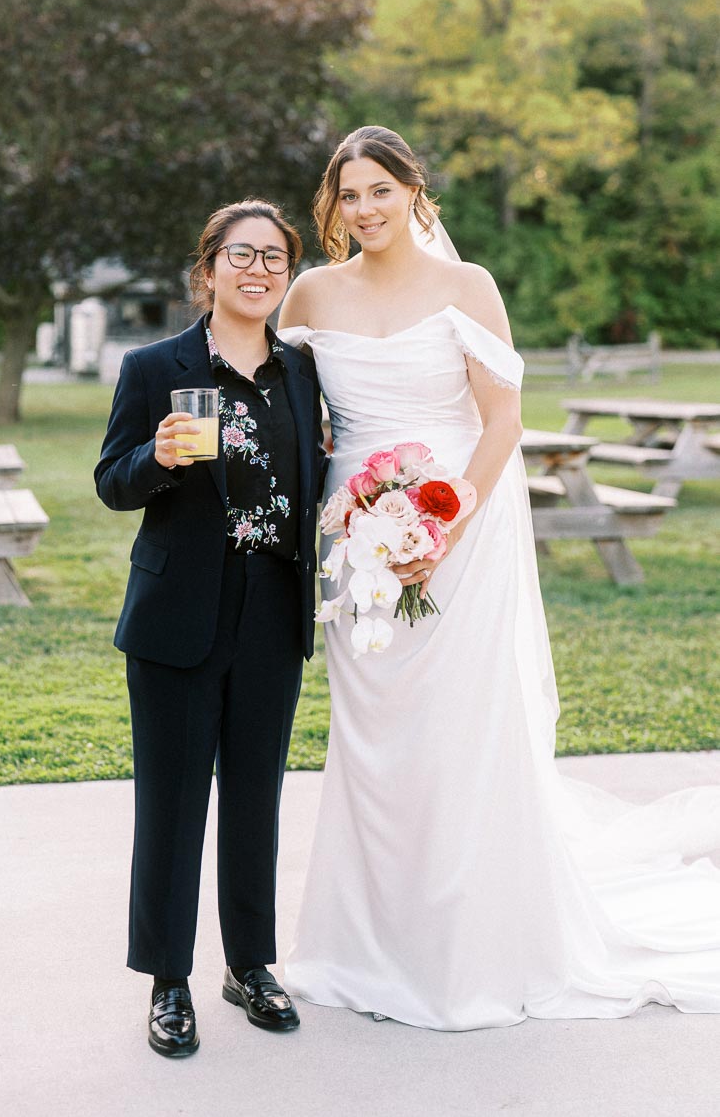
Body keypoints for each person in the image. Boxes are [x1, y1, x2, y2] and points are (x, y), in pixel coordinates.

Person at [277, 125, 720, 1030]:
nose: (365, 210)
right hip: (355, 535)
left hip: (458, 528)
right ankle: (363, 943)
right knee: (371, 735)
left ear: (413, 192)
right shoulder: (311, 293)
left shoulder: (467, 287)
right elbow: (288, 409)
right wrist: (348, 506)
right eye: (349, 195)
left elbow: (504, 418)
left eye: (380, 192)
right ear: (334, 204)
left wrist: (444, 517)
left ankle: (468, 947)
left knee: (458, 729)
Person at [95, 199, 326, 1058]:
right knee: (172, 801)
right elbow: (111, 482)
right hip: (177, 613)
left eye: (274, 256)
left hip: (272, 607)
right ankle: (166, 982)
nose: (258, 269)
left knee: (256, 799)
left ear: (287, 273)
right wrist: (155, 457)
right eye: (242, 254)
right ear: (209, 269)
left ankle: (249, 965)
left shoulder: (301, 371)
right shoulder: (156, 366)